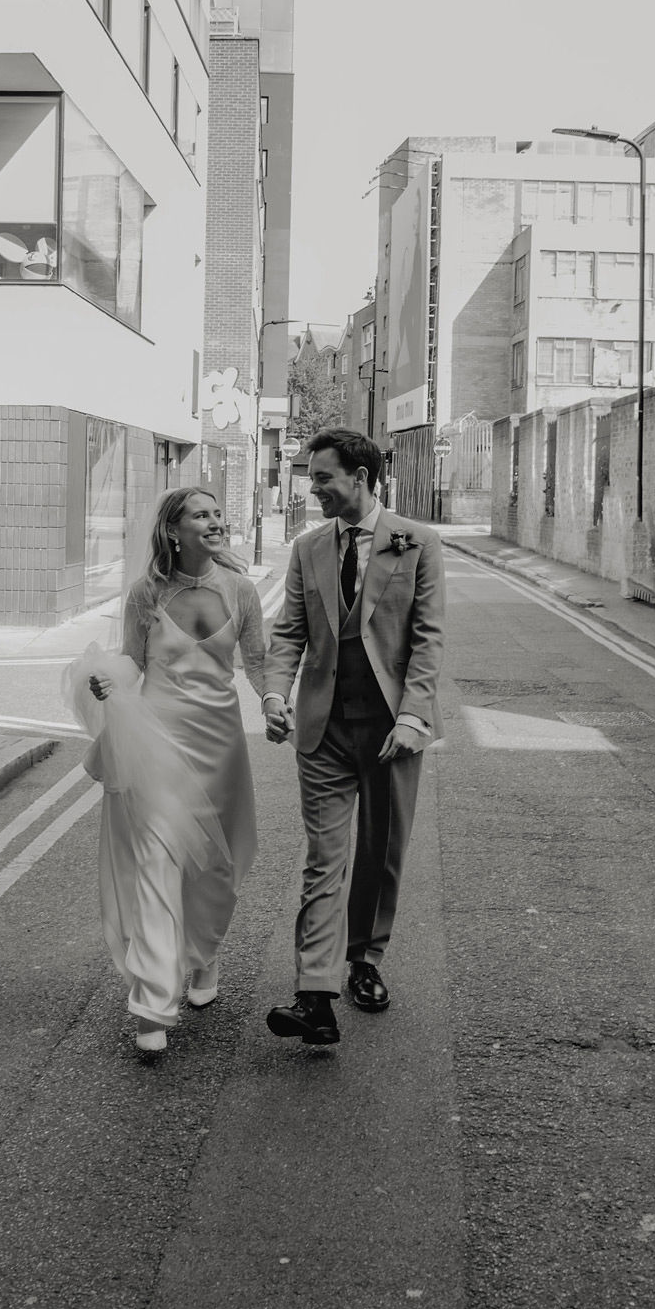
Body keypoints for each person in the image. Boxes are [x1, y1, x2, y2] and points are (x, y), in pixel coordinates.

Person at [262, 427, 445, 1046]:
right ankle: (315, 995)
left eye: (321, 479)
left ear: (360, 479)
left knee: (380, 853)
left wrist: (415, 715)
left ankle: (363, 961)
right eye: (311, 478)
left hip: (394, 728)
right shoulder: (308, 547)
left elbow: (427, 639)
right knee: (324, 860)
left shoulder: (416, 543)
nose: (312, 490)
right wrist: (273, 694)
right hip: (324, 728)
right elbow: (288, 632)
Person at [71, 488, 265, 1056]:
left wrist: (275, 703)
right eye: (200, 514)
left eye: (217, 513)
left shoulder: (241, 589)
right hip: (160, 741)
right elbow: (133, 657)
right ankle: (153, 1003)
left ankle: (202, 962)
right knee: (157, 860)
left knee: (215, 866)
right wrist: (110, 678)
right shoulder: (146, 593)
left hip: (222, 744)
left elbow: (257, 659)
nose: (215, 521)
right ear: (173, 531)